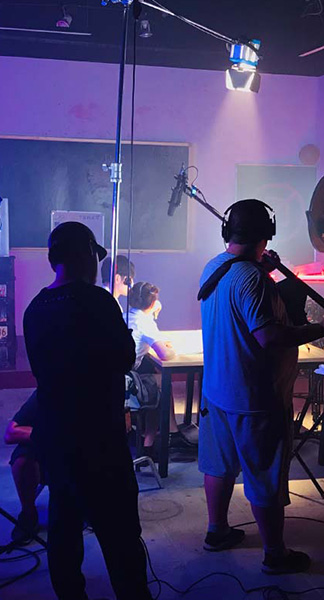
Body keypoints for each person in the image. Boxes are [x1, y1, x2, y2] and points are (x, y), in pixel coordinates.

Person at [198, 199, 324, 574]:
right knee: (265, 476)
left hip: (218, 390)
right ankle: (275, 554)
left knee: (219, 466)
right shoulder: (252, 280)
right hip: (254, 398)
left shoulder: (215, 267)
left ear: (228, 231)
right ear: (268, 234)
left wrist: (262, 270)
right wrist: (322, 328)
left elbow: (240, 300)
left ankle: (217, 531)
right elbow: (269, 336)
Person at [23, 221, 152, 600]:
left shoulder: (34, 308)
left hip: (56, 438)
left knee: (63, 529)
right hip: (101, 438)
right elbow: (125, 358)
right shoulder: (98, 301)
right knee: (120, 534)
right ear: (86, 257)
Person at [127, 281, 194, 454]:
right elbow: (166, 355)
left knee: (156, 375)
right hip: (130, 382)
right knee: (162, 382)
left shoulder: (127, 315)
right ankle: (150, 442)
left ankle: (170, 431)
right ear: (152, 303)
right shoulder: (145, 322)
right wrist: (171, 348)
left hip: (121, 375)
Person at [3, 391, 43, 546]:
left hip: (78, 455)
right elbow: (11, 433)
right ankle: (28, 513)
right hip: (49, 450)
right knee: (23, 459)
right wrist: (49, 435)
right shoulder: (43, 394)